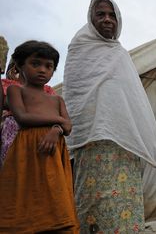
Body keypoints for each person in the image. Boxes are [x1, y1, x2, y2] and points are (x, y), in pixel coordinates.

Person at [63, 0, 156, 232]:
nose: (107, 19)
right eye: (101, 14)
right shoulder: (79, 48)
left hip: (125, 143)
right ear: (91, 18)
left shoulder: (121, 55)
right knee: (93, 203)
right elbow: (75, 98)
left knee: (125, 202)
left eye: (112, 15)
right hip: (92, 142)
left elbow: (133, 101)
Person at [0, 40, 78, 233]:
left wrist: (56, 130)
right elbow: (23, 117)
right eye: (35, 64)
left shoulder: (56, 98)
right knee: (25, 190)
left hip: (53, 152)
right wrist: (56, 120)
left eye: (49, 66)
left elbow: (67, 126)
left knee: (54, 192)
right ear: (19, 65)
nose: (42, 70)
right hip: (26, 150)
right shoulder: (15, 90)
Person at [0, 59, 56, 168]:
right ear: (18, 67)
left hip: (41, 130)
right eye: (34, 64)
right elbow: (9, 103)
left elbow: (55, 111)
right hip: (13, 128)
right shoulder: (6, 84)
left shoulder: (47, 89)